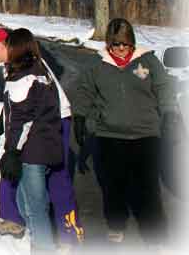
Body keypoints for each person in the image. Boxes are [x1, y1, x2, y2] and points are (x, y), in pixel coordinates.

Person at [73, 18, 179, 245]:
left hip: (146, 135)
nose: (121, 49)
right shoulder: (97, 66)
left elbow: (163, 88)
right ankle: (116, 224)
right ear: (109, 44)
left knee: (148, 187)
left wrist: (169, 112)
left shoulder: (147, 60)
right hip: (110, 136)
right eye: (116, 44)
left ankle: (155, 233)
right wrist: (80, 116)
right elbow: (84, 92)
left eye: (125, 44)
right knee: (113, 185)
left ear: (132, 43)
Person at [0, 28, 84, 248]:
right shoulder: (12, 66)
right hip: (31, 124)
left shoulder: (28, 64)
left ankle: (69, 234)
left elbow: (28, 108)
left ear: (0, 45)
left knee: (57, 178)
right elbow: (14, 106)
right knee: (13, 167)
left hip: (55, 119)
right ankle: (14, 218)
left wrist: (12, 149)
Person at [0, 28, 64, 253]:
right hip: (38, 147)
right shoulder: (37, 69)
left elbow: (23, 119)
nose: (6, 49)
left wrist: (12, 152)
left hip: (33, 151)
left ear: (18, 48)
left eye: (9, 45)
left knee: (34, 207)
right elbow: (15, 112)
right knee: (27, 204)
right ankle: (40, 243)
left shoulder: (26, 76)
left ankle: (43, 248)